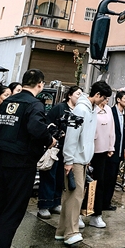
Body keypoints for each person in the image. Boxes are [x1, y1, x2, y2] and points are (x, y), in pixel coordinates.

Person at [0, 69, 57, 248]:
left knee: (1, 207)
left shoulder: (8, 102)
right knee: (12, 211)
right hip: (20, 164)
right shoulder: (34, 104)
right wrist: (50, 140)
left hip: (1, 160)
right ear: (40, 84)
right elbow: (36, 128)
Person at [55, 81, 112, 245]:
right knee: (76, 195)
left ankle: (62, 231)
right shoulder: (81, 109)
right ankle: (71, 232)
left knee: (71, 195)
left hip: (81, 159)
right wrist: (69, 160)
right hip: (75, 159)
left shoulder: (90, 109)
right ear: (97, 95)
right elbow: (72, 136)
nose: (104, 102)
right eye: (104, 98)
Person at [37, 85, 83, 220]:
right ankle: (44, 204)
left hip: (68, 149)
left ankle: (56, 202)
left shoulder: (79, 110)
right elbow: (47, 124)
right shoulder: (59, 108)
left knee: (60, 176)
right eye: (78, 94)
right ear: (69, 95)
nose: (80, 97)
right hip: (55, 146)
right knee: (49, 175)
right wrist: (56, 134)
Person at [88, 98, 115, 228]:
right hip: (89, 150)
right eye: (105, 97)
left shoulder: (108, 110)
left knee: (99, 183)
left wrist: (111, 147)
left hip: (102, 151)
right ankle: (81, 213)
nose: (107, 100)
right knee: (85, 183)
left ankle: (96, 214)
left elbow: (111, 131)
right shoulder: (91, 109)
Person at [103, 90, 125, 211]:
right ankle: (103, 202)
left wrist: (124, 148)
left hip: (118, 151)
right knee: (107, 177)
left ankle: (107, 202)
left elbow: (122, 134)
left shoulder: (123, 114)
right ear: (118, 100)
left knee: (113, 178)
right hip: (110, 150)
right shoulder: (111, 112)